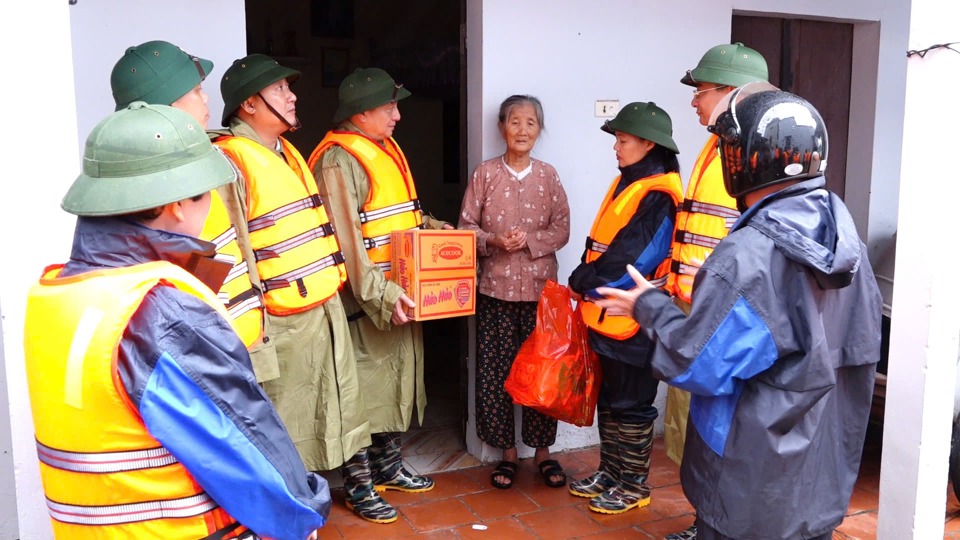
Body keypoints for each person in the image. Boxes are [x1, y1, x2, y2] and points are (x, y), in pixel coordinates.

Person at [23, 102, 328, 540]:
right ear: (176, 204)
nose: (211, 210)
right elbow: (246, 450)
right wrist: (304, 511)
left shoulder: (60, 293)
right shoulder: (158, 311)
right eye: (206, 194)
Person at [595, 89, 882, 540]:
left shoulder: (749, 256)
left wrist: (647, 305)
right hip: (818, 480)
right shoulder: (847, 243)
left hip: (750, 482)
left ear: (744, 159)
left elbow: (699, 363)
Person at [212, 53, 373, 512]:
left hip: (323, 303)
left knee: (344, 398)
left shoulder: (287, 152)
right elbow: (235, 250)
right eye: (281, 89)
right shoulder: (231, 161)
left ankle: (358, 485)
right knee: (290, 418)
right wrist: (253, 325)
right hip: (280, 319)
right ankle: (294, 505)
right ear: (249, 104)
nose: (293, 95)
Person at [307, 67, 449, 521]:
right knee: (361, 391)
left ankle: (389, 466)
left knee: (392, 383)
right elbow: (348, 242)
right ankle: (360, 485)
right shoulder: (337, 160)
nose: (398, 115)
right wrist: (382, 296)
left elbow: (396, 215)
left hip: (398, 290)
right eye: (389, 106)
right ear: (363, 111)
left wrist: (434, 232)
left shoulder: (382, 149)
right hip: (364, 300)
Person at [110, 41, 276, 381]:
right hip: (203, 366)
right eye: (197, 91)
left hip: (245, 343)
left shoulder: (210, 158)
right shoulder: (141, 187)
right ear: (169, 106)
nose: (207, 99)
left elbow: (235, 248)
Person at [663, 42, 768, 540]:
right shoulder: (718, 143)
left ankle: (716, 522)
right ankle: (704, 517)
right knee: (692, 422)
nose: (693, 101)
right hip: (696, 306)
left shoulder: (755, 150)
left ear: (732, 92)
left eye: (701, 91)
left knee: (717, 429)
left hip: (726, 314)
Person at [567, 102, 682, 514]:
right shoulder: (629, 182)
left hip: (634, 317)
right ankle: (611, 473)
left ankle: (633, 485)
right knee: (613, 399)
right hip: (606, 315)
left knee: (633, 403)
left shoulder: (659, 194)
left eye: (623, 140)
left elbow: (636, 257)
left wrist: (585, 279)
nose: (616, 147)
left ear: (648, 144)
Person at [455, 94, 571, 490]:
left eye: (531, 123)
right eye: (515, 122)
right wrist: (493, 241)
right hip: (494, 290)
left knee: (543, 373)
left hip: (541, 294)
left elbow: (562, 229)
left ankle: (542, 453)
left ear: (539, 130)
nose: (522, 130)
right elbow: (465, 227)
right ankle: (506, 454)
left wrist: (528, 242)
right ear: (502, 127)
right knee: (495, 373)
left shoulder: (549, 176)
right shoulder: (485, 174)